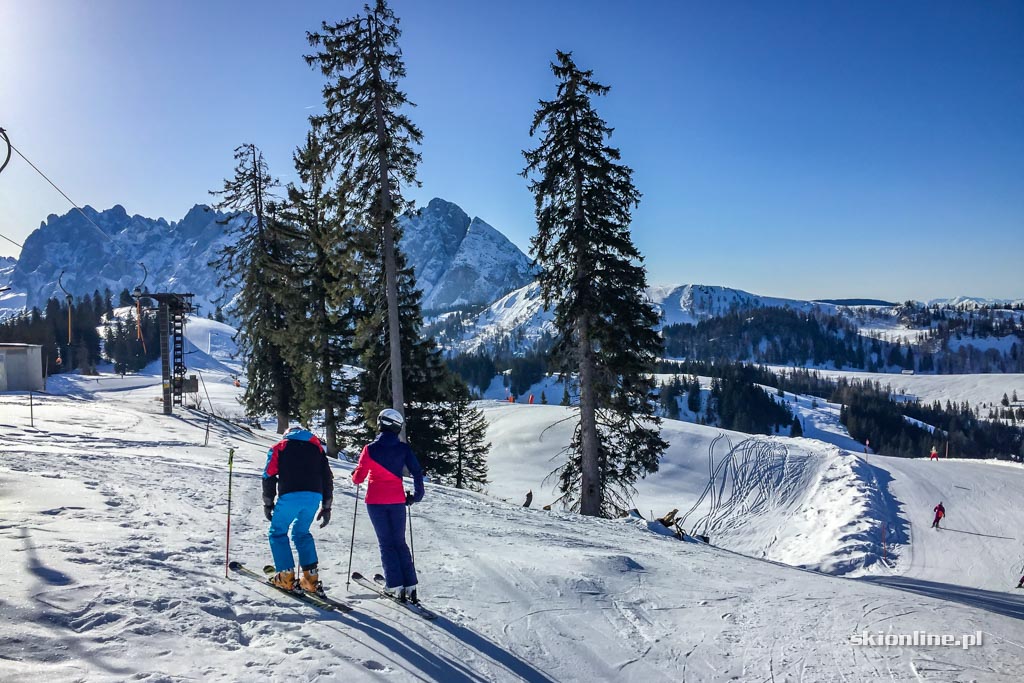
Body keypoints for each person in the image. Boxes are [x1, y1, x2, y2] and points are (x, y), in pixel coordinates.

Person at [352, 409, 425, 603]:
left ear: (381, 424)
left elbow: (358, 478)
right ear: (397, 427)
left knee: (386, 543)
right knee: (399, 542)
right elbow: (417, 472)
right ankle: (410, 585)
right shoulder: (403, 448)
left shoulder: (370, 449)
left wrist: (355, 474)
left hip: (375, 501)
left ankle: (394, 585)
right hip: (397, 501)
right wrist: (416, 496)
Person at [263, 427, 334, 592]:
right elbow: (327, 478)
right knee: (301, 533)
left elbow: (268, 475)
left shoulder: (280, 447)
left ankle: (286, 577)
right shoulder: (317, 449)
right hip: (313, 497)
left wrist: (268, 503)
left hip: (290, 495)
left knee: (278, 532)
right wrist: (326, 507)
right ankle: (311, 579)